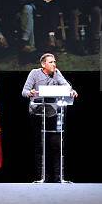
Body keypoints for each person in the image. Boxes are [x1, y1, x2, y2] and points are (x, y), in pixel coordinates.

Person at [21, 53, 78, 183]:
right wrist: (30, 93)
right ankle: (42, 177)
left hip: (53, 115)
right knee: (41, 146)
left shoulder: (57, 73)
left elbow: (66, 86)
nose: (54, 64)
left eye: (54, 61)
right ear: (43, 64)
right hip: (38, 115)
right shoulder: (34, 73)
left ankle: (58, 177)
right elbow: (24, 91)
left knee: (56, 145)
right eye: (51, 62)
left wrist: (71, 91)